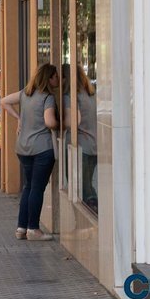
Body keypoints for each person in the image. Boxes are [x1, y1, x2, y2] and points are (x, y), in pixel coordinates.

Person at [1, 63, 58, 241]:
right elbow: (49, 122)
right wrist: (60, 123)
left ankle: (21, 228)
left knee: (28, 186)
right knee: (37, 188)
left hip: (23, 148)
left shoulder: (25, 93)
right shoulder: (47, 97)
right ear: (49, 78)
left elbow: (4, 101)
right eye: (55, 76)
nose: (58, 79)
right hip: (42, 148)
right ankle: (33, 229)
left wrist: (19, 118)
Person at [62, 65, 97, 210]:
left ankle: (89, 221)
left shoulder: (70, 97)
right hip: (93, 146)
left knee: (82, 190)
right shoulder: (90, 93)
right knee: (86, 185)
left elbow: (73, 121)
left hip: (80, 146)